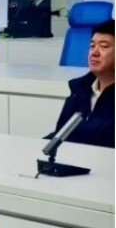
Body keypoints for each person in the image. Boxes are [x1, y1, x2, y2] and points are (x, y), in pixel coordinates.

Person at [47, 19, 114, 148]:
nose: (94, 53)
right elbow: (61, 133)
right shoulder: (79, 89)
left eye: (104, 46)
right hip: (72, 157)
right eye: (92, 46)